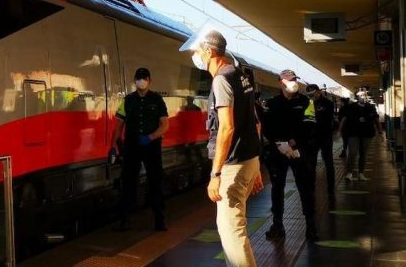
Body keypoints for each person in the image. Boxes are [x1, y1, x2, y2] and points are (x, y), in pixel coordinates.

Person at [187, 30, 262, 267]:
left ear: (209, 51)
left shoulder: (221, 79)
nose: (195, 57)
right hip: (249, 159)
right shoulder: (240, 75)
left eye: (197, 52)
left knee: (231, 231)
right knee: (236, 228)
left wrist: (215, 173)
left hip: (234, 164)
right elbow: (255, 122)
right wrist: (256, 167)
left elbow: (227, 128)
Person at [260, 70, 319, 241]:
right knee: (277, 188)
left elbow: (310, 124)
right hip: (277, 152)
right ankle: (277, 225)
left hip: (300, 151)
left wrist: (296, 140)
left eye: (294, 79)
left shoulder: (306, 102)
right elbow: (266, 126)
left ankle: (311, 226)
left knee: (305, 188)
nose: (293, 82)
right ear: (281, 83)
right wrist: (277, 141)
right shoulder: (271, 103)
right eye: (289, 80)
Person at [111, 67, 170, 231]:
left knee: (155, 181)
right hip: (132, 145)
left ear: (150, 81)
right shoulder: (128, 100)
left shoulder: (157, 100)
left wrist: (151, 137)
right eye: (139, 78)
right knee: (128, 182)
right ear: (134, 81)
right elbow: (119, 125)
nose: (141, 81)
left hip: (151, 146)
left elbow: (165, 125)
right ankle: (125, 218)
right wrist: (113, 145)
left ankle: (160, 218)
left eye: (144, 78)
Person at [306, 84, 336, 203]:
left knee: (328, 162)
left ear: (318, 92)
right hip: (313, 139)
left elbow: (326, 120)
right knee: (311, 163)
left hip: (325, 137)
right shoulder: (308, 103)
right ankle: (311, 187)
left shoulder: (328, 104)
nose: (311, 96)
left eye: (312, 94)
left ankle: (331, 188)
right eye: (309, 95)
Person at [341, 99, 382, 181]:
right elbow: (344, 119)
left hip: (367, 133)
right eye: (360, 94)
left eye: (364, 94)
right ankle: (349, 173)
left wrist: (380, 132)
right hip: (353, 132)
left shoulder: (371, 107)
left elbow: (376, 119)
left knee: (363, 153)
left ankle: (361, 173)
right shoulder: (350, 107)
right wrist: (340, 130)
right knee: (353, 152)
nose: (362, 97)